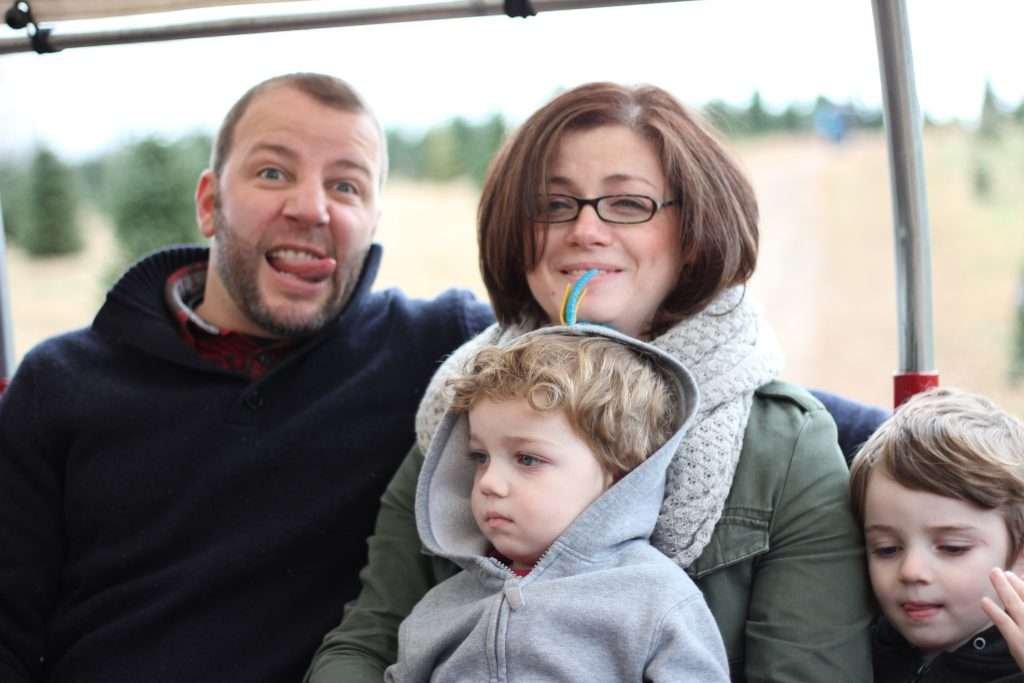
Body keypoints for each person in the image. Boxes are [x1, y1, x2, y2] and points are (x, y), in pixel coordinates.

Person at [306, 81, 874, 682]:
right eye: (553, 205)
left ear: (693, 233)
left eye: (628, 204)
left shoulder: (781, 448)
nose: (584, 230)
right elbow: (367, 641)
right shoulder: (460, 416)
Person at [0, 73, 493, 682]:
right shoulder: (59, 383)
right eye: (273, 173)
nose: (312, 208)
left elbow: (606, 337)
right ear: (209, 203)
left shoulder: (442, 348)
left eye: (346, 185)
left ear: (371, 223)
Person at [385, 326, 729, 682]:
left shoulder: (657, 601)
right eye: (480, 457)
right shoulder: (440, 609)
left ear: (618, 470)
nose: (488, 482)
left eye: (527, 460)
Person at [849, 387, 1024, 682]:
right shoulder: (854, 647)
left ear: (1020, 553)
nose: (911, 571)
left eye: (952, 547)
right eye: (887, 549)